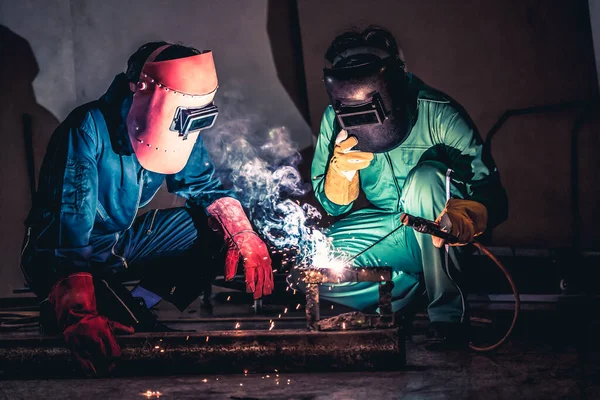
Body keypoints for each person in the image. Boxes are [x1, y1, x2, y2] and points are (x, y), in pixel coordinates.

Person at [20, 41, 273, 375]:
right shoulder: (88, 127)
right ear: (138, 90)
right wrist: (77, 310)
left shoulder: (181, 124)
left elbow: (205, 188)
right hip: (60, 255)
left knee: (220, 225)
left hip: (120, 242)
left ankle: (142, 300)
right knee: (135, 340)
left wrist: (241, 230)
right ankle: (60, 305)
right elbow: (70, 220)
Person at [311, 27, 508, 347]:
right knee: (311, 268)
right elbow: (334, 207)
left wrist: (467, 214)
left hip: (443, 232)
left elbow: (492, 192)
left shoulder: (438, 112)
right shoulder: (334, 120)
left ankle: (447, 316)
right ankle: (409, 292)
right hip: (394, 228)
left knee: (425, 179)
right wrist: (340, 174)